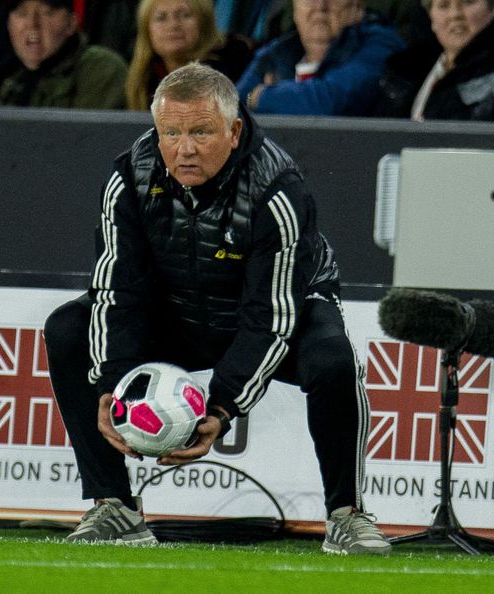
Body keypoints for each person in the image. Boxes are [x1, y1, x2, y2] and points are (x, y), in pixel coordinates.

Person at [43, 62, 391, 555]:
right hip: (178, 309)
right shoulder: (129, 177)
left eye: (201, 132)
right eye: (171, 132)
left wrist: (223, 407)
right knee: (68, 328)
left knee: (333, 359)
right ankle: (114, 507)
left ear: (233, 131)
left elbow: (271, 317)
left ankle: (347, 514)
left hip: (279, 308)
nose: (184, 148)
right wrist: (111, 384)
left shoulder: (278, 190)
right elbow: (117, 290)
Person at [235, 0, 405, 116]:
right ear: (295, 9)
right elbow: (230, 107)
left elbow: (329, 102)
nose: (320, 6)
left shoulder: (379, 44)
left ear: (358, 7)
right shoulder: (279, 51)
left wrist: (260, 96)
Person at [372, 0, 494, 120]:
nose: (455, 14)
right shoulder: (405, 72)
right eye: (444, 5)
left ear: (493, 9)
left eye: (468, 2)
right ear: (430, 17)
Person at [0, 0, 128, 109]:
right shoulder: (13, 85)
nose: (32, 24)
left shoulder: (101, 69)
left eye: (46, 12)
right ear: (8, 24)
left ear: (72, 22)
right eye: (22, 13)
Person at [125, 0, 253, 111]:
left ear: (204, 22)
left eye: (185, 15)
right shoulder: (144, 78)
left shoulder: (236, 65)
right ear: (146, 30)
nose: (173, 25)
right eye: (161, 18)